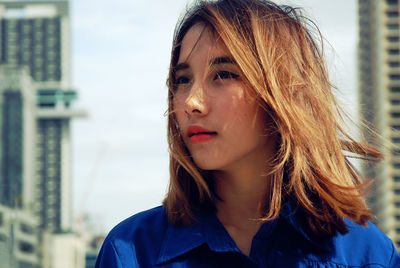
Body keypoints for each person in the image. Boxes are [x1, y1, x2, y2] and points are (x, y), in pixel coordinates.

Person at [95, 0, 400, 267]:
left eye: (224, 74)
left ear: (284, 91)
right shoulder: (132, 251)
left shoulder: (367, 254)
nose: (191, 102)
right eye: (183, 79)